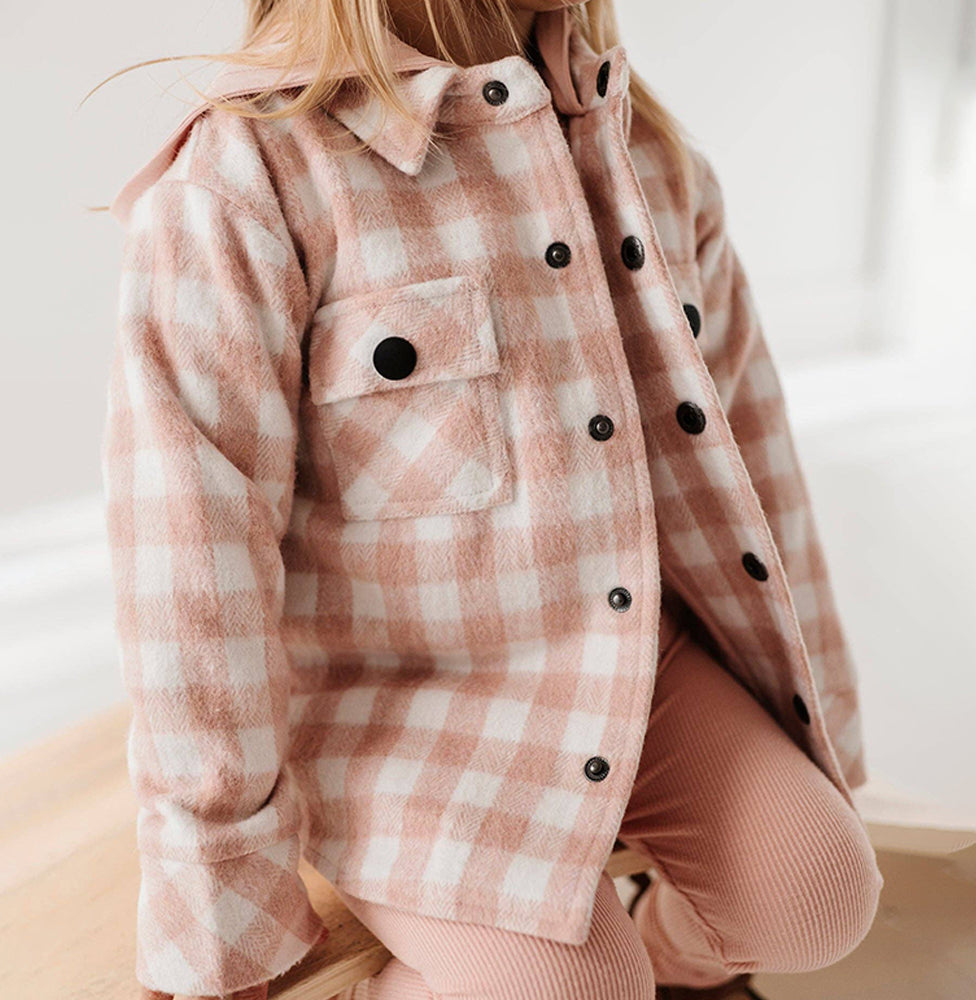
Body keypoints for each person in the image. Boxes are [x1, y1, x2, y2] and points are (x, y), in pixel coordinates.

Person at [99, 1, 884, 998]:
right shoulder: (251, 178)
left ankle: (678, 969)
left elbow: (752, 459)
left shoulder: (644, 153)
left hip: (635, 653)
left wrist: (822, 737)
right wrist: (218, 905)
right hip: (390, 706)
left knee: (815, 897)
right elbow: (190, 558)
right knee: (574, 990)